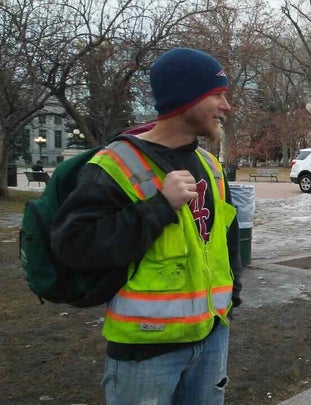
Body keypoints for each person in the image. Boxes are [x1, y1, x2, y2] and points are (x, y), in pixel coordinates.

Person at [50, 48, 242, 404]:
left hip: (212, 334)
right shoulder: (114, 164)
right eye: (216, 94)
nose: (225, 106)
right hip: (146, 348)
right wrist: (158, 208)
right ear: (187, 99)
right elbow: (74, 245)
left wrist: (232, 298)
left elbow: (224, 239)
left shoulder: (210, 164)